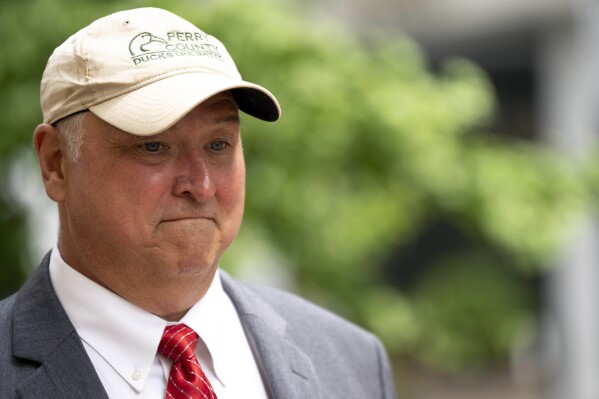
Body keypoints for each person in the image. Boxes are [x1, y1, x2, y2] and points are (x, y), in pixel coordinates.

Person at [0, 7, 397, 399]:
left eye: (218, 144)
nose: (201, 185)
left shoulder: (351, 360)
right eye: (154, 146)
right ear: (55, 164)